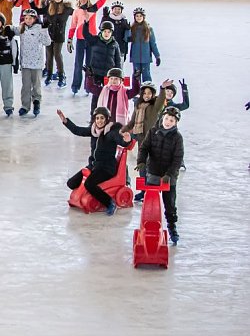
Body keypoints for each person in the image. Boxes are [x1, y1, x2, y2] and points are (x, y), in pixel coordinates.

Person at [57, 106, 132, 215]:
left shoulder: (110, 132)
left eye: (102, 118)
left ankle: (110, 203)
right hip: (93, 166)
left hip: (106, 168)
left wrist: (126, 140)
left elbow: (120, 140)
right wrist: (65, 121)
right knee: (71, 183)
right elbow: (78, 130)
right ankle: (84, 195)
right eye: (97, 118)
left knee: (89, 184)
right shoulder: (93, 131)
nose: (99, 121)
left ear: (106, 119)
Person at [136, 106, 184, 244]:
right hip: (153, 173)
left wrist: (169, 174)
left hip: (169, 177)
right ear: (163, 118)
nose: (168, 122)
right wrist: (141, 162)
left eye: (172, 120)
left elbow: (178, 158)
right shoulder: (153, 132)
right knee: (150, 203)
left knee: (169, 203)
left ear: (176, 123)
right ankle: (148, 227)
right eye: (167, 118)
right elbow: (144, 148)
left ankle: (172, 227)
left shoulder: (177, 138)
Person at [126, 79, 171, 201]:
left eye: (149, 93)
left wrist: (162, 88)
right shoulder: (138, 106)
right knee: (142, 166)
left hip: (153, 141)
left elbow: (161, 101)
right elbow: (133, 121)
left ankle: (152, 189)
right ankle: (143, 190)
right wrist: (124, 130)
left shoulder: (155, 106)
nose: (147, 96)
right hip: (141, 139)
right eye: (144, 93)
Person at [66, 0, 107, 94]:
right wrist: (69, 39)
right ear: (78, 0)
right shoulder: (76, 11)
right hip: (80, 40)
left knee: (90, 65)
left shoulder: (93, 8)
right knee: (78, 63)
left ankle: (89, 85)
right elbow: (73, 26)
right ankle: (75, 85)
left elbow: (103, 0)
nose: (83, 0)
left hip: (92, 40)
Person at [16, 8, 52, 117]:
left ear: (34, 19)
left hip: (36, 63)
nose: (28, 20)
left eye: (30, 18)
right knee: (26, 86)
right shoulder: (22, 28)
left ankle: (36, 102)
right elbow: (12, 30)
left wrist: (45, 29)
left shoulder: (39, 29)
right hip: (25, 63)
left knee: (36, 85)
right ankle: (25, 106)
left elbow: (47, 42)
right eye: (26, 18)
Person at [82, 20, 123, 111]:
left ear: (111, 33)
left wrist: (119, 74)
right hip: (96, 73)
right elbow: (86, 35)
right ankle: (94, 114)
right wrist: (86, 25)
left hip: (108, 75)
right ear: (101, 31)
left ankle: (108, 114)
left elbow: (118, 60)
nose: (106, 34)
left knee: (109, 94)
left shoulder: (115, 44)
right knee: (96, 95)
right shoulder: (95, 40)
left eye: (108, 32)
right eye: (104, 31)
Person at [43, 0, 73, 88]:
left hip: (59, 35)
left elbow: (78, 13)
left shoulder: (67, 8)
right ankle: (49, 74)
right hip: (49, 34)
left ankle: (61, 75)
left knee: (57, 54)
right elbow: (45, 20)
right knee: (49, 55)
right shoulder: (49, 7)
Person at [127, 7, 161, 83]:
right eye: (137, 16)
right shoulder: (132, 29)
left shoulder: (149, 29)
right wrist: (127, 30)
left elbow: (153, 44)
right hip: (135, 58)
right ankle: (137, 91)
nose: (138, 18)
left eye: (140, 16)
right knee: (136, 76)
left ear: (143, 17)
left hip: (146, 58)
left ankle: (148, 91)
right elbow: (127, 39)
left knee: (146, 75)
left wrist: (157, 56)